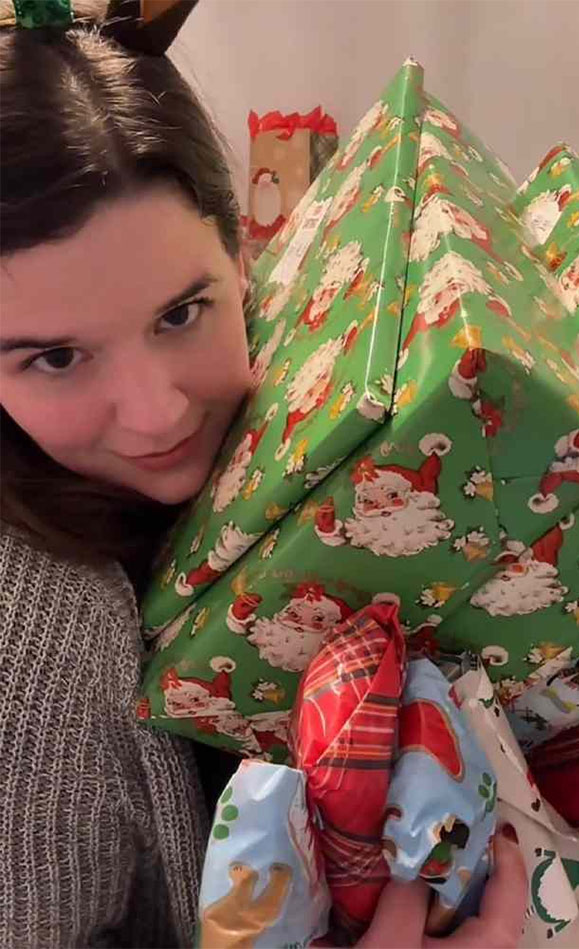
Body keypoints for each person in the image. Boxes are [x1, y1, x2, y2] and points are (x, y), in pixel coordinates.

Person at [0, 1, 527, 945]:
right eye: (54, 358)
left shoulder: (317, 394)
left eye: (180, 313)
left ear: (244, 251)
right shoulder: (33, 638)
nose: (158, 412)